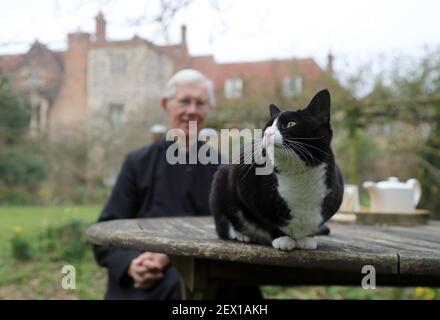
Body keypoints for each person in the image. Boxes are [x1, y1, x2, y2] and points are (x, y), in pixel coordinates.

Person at [93, 69, 262, 300]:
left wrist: (173, 255)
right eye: (184, 101)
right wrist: (131, 264)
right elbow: (107, 231)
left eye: (200, 103)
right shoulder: (137, 163)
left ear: (208, 110)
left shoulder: (224, 169)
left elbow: (240, 231)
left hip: (209, 273)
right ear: (166, 105)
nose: (192, 110)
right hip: (148, 282)